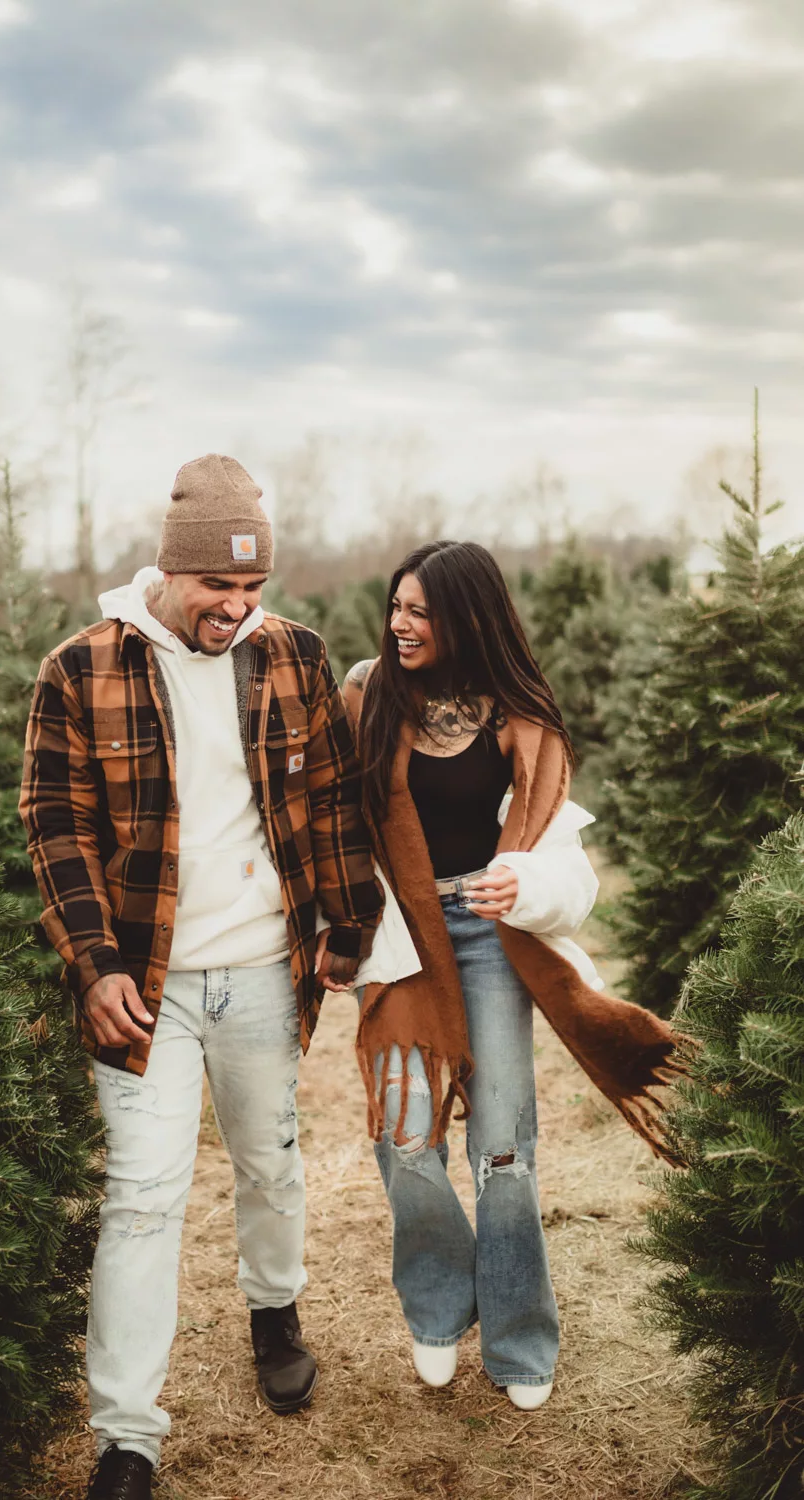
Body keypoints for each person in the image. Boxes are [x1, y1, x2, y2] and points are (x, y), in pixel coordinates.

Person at [20, 455, 383, 1500]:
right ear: (169, 574)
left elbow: (329, 797)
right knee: (141, 1196)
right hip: (147, 983)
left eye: (251, 588)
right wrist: (92, 966)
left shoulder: (293, 657)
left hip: (264, 970)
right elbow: (55, 824)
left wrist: (344, 924)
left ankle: (273, 1313)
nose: (234, 608)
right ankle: (125, 1437)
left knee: (270, 1162)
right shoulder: (81, 667)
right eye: (216, 588)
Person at [343, 540, 686, 1413]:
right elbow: (331, 829)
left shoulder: (521, 718)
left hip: (495, 936)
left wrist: (522, 881)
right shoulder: (365, 695)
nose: (400, 624)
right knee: (406, 1141)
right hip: (406, 938)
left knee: (503, 1150)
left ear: (469, 618)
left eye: (421, 611)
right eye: (397, 606)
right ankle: (437, 1301)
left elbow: (571, 870)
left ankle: (520, 1334)